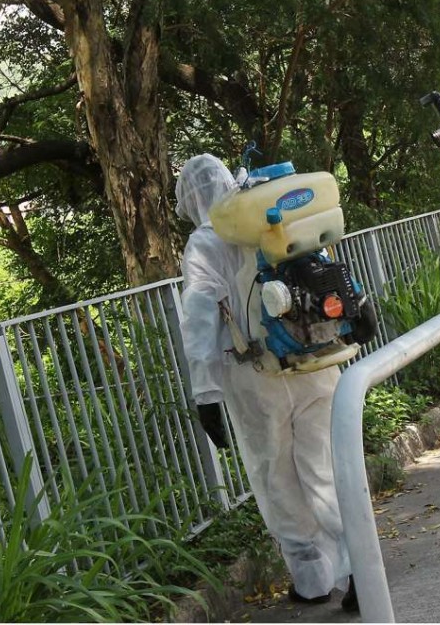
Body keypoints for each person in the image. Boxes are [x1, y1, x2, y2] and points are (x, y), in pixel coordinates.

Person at [175, 154, 358, 611]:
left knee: (274, 476)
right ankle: (360, 570)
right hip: (314, 360)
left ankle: (312, 579)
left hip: (254, 376)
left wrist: (205, 393)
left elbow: (200, 317)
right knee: (325, 468)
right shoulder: (271, 214)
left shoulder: (204, 243)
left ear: (193, 198)